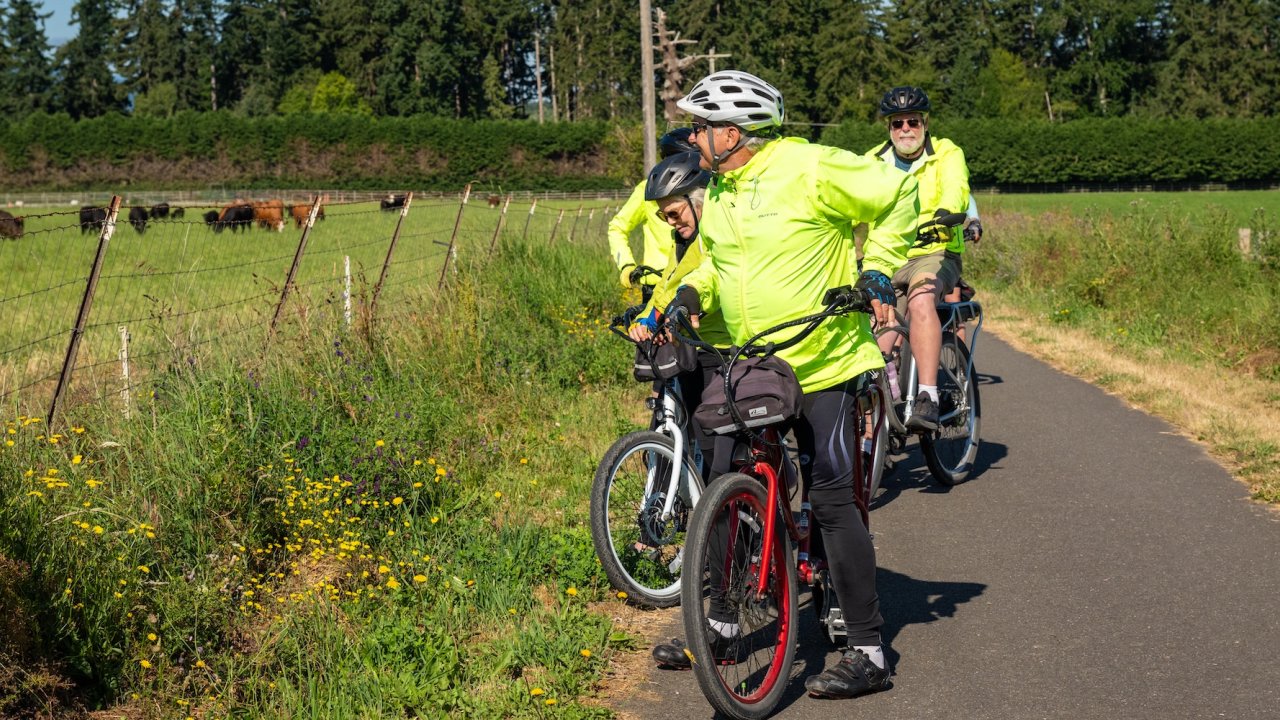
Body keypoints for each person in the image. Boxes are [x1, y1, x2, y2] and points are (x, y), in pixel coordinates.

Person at [650, 70, 919, 700]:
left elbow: (896, 197)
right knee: (727, 486)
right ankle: (717, 623)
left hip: (825, 360)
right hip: (751, 362)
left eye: (700, 125)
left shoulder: (810, 167)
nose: (692, 136)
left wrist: (876, 268)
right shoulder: (716, 190)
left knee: (830, 500)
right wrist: (691, 292)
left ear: (732, 131)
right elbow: (718, 263)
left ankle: (868, 649)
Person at [865, 86, 973, 432]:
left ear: (925, 124)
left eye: (913, 121)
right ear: (889, 129)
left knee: (922, 299)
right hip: (887, 255)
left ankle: (927, 396)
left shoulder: (946, 153)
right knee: (876, 335)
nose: (906, 129)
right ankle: (877, 427)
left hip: (935, 249)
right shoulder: (872, 161)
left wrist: (948, 212)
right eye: (898, 124)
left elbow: (957, 188)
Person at [626, 150, 724, 473]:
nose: (670, 222)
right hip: (691, 348)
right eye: (664, 216)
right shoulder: (681, 241)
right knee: (689, 425)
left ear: (698, 200)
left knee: (715, 446)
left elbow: (716, 278)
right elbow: (665, 290)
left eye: (674, 213)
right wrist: (644, 321)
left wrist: (691, 304)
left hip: (721, 348)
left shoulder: (716, 236)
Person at [607, 129, 699, 303]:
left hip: (695, 282)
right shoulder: (647, 189)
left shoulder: (705, 189)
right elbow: (617, 228)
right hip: (657, 284)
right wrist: (626, 265)